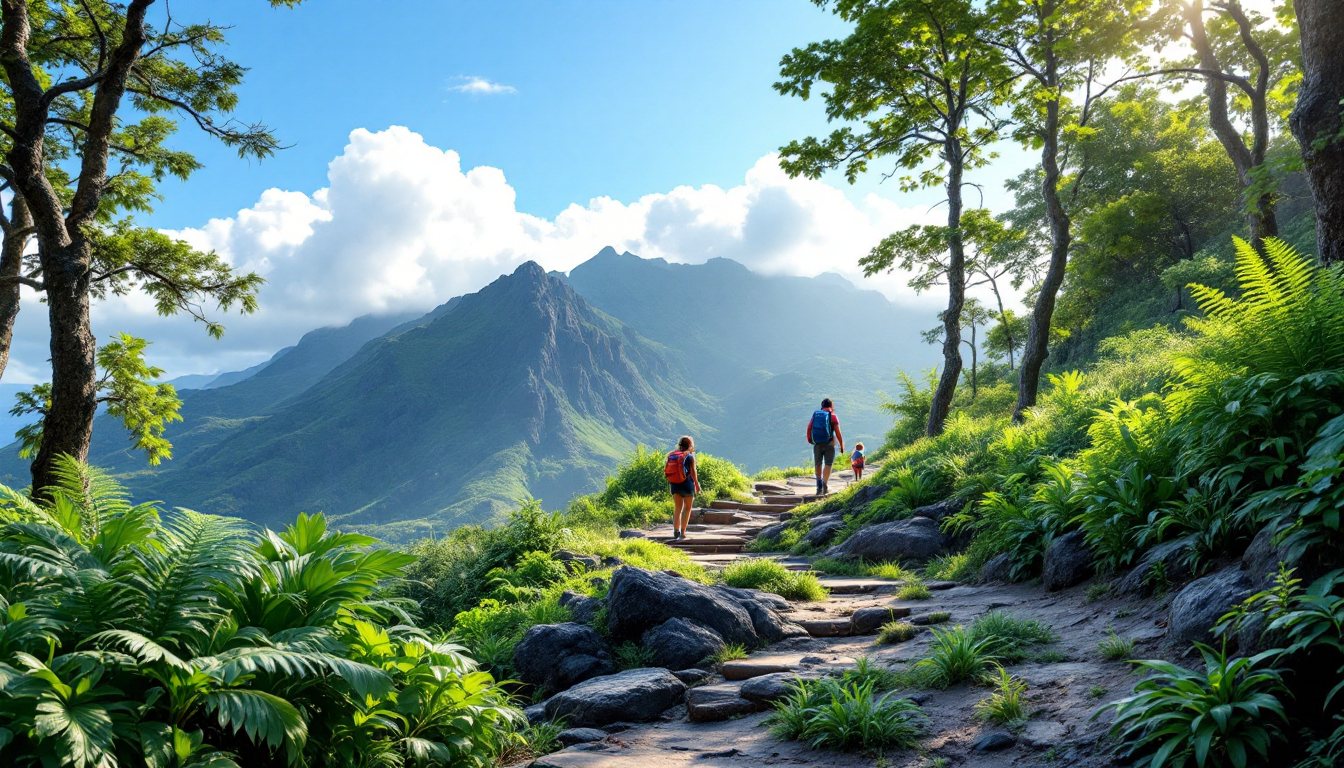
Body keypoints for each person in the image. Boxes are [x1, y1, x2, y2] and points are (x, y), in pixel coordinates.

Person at [665, 435, 701, 540]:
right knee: (687, 508)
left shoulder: (672, 455)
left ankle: (676, 531)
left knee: (677, 508)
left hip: (674, 484)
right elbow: (693, 472)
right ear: (690, 444)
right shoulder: (689, 456)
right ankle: (683, 533)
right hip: (687, 484)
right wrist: (697, 485)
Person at [805, 398, 844, 495]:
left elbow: (809, 427)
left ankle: (818, 486)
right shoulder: (833, 417)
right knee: (828, 463)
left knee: (818, 463)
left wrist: (810, 439)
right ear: (832, 406)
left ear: (822, 406)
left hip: (817, 443)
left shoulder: (816, 416)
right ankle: (824, 484)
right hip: (829, 443)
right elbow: (838, 433)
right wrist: (841, 445)